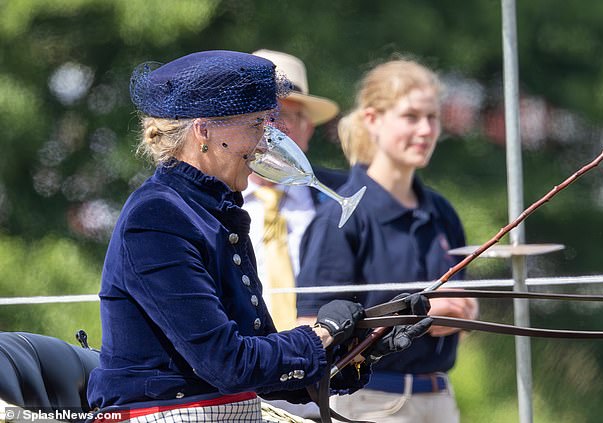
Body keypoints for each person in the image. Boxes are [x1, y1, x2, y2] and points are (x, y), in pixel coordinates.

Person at [85, 50, 385, 423]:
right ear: (204, 130)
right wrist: (320, 334)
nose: (265, 142)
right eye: (256, 124)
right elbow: (226, 363)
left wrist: (358, 348)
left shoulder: (214, 209)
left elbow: (259, 365)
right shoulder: (157, 216)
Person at [296, 57, 478, 423]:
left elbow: (465, 305)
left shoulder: (442, 211)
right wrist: (414, 318)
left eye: (433, 117)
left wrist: (466, 314)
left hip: (441, 398)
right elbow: (311, 325)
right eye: (411, 117)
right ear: (372, 120)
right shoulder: (341, 217)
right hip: (371, 404)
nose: (426, 130)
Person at [242, 49, 346, 332]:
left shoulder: (341, 196)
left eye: (283, 117)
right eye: (261, 118)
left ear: (307, 128)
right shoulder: (211, 200)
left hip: (328, 359)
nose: (272, 131)